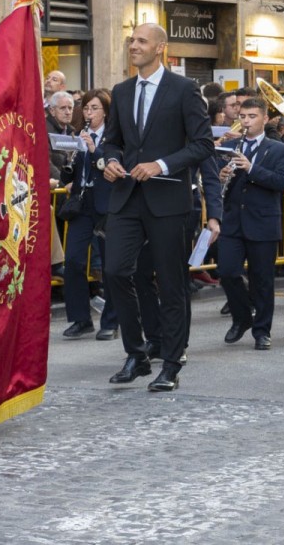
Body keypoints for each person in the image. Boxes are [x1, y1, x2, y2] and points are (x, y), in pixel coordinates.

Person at [100, 23, 213, 392]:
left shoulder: (184, 89)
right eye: (131, 40)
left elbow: (202, 144)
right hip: (126, 196)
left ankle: (172, 363)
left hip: (168, 200)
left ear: (160, 47)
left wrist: (161, 165)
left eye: (141, 41)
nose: (133, 46)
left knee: (171, 282)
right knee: (115, 271)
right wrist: (110, 161)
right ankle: (136, 354)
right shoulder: (121, 91)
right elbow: (112, 141)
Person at [217, 98, 284, 351]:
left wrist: (251, 168)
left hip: (263, 221)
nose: (246, 121)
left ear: (265, 119)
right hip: (233, 221)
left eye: (252, 116)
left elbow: (280, 182)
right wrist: (222, 176)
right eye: (243, 116)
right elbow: (217, 184)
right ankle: (242, 318)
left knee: (262, 280)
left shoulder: (279, 149)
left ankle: (262, 330)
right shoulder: (229, 146)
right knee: (227, 271)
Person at [60, 89, 115, 339]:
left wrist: (94, 149)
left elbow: (112, 164)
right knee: (73, 260)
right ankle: (81, 318)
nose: (89, 113)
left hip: (106, 202)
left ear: (106, 111)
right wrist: (68, 161)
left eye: (94, 108)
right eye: (86, 108)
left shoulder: (113, 137)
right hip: (81, 202)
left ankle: (111, 321)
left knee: (109, 264)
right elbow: (70, 174)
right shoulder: (78, 135)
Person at [46, 90, 76, 187]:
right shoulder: (43, 130)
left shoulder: (73, 132)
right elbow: (46, 163)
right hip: (54, 188)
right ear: (52, 111)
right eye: (63, 108)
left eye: (70, 108)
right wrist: (64, 184)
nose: (68, 112)